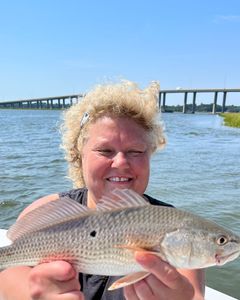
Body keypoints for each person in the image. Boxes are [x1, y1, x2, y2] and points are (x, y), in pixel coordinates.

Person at [0, 80, 205, 299]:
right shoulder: (47, 209)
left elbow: (192, 293)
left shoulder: (179, 226)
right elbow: (8, 274)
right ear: (79, 155)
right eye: (105, 150)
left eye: (135, 151)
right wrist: (29, 293)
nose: (120, 162)